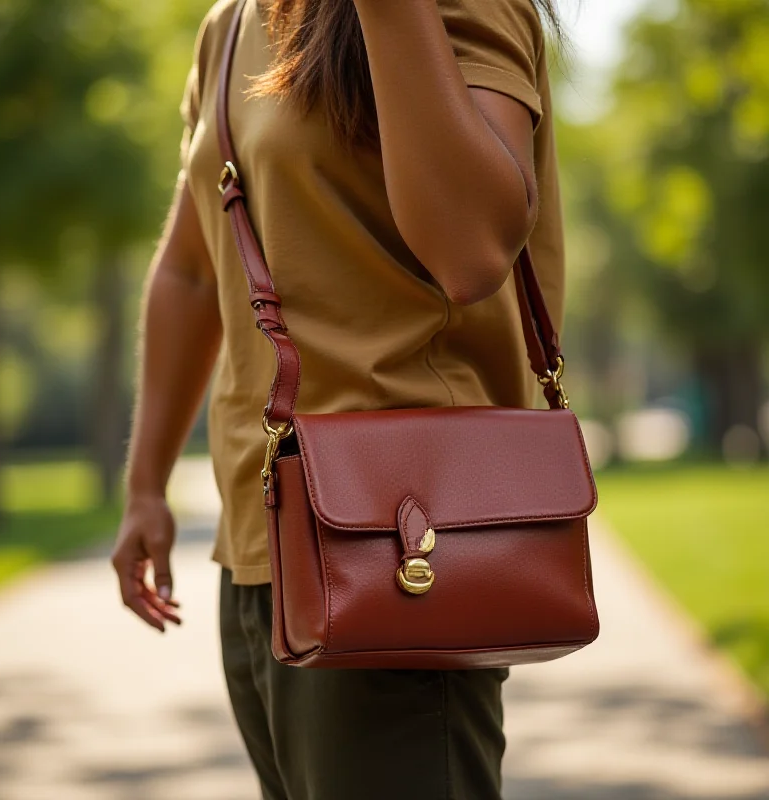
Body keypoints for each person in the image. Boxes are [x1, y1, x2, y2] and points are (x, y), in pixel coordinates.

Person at [112, 0, 566, 796]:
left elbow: (473, 253)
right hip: (264, 549)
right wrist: (145, 482)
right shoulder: (231, 24)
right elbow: (192, 266)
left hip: (401, 546)